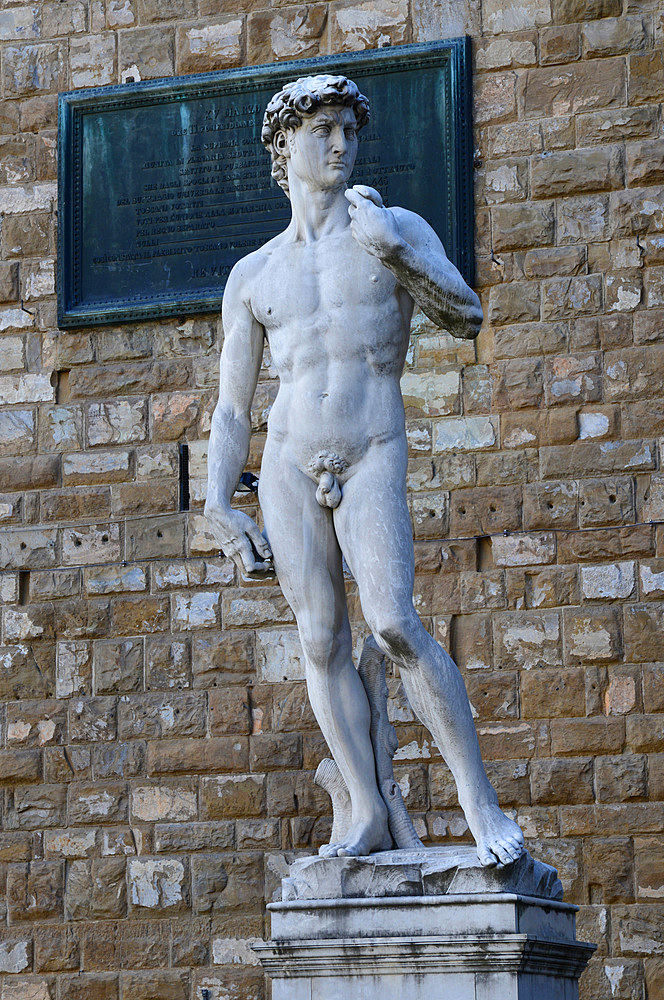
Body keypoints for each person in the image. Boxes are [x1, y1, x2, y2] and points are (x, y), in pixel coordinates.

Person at [205, 74, 524, 866]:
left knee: (392, 622)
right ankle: (368, 812)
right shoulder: (254, 273)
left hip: (371, 445)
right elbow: (233, 408)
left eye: (350, 129)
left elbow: (467, 313)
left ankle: (478, 806)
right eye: (323, 131)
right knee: (319, 640)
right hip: (286, 459)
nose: (341, 144)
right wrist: (218, 500)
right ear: (285, 147)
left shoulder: (393, 228)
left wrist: (397, 252)